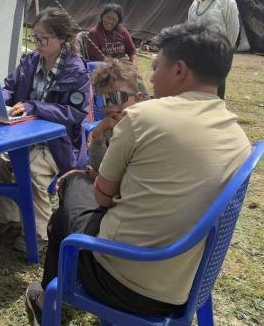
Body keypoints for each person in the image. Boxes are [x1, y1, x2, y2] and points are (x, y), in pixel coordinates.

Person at [24, 24, 251, 325]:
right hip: (186, 285)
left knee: (74, 184)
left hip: (121, 281)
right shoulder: (237, 136)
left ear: (179, 70)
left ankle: (46, 300)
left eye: (156, 68)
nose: (152, 78)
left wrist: (88, 175)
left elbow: (103, 198)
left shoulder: (144, 117)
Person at [0, 7, 91, 252]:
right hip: (22, 134)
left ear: (62, 39)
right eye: (35, 37)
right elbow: (10, 87)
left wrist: (36, 107)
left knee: (31, 170)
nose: (37, 44)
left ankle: (39, 235)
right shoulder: (30, 61)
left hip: (58, 143)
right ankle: (6, 217)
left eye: (44, 39)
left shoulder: (76, 71)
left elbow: (75, 113)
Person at [187, 0, 240, 99]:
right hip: (198, 52)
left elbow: (233, 31)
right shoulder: (195, 4)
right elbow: (190, 29)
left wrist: (224, 51)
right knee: (198, 88)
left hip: (218, 53)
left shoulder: (226, 1)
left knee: (216, 90)